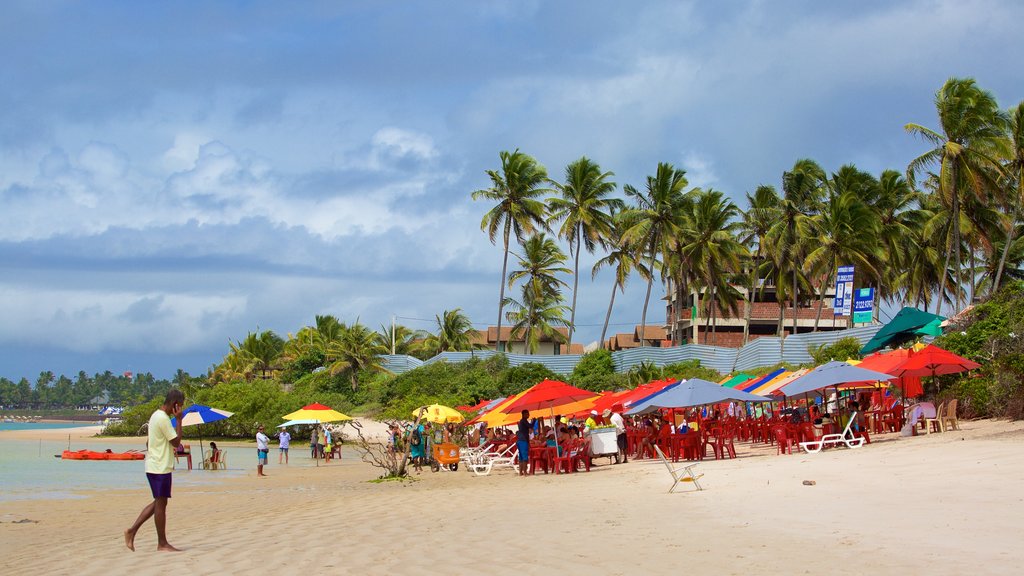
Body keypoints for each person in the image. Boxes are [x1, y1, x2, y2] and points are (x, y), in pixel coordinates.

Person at [124, 388, 184, 552]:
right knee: (160, 504)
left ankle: (132, 531)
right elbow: (176, 442)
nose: (180, 410)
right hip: (159, 467)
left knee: (160, 502)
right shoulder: (163, 418)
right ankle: (161, 543)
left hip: (157, 465)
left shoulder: (156, 416)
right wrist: (179, 421)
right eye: (180, 407)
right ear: (175, 405)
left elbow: (150, 442)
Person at [516, 409, 531, 476]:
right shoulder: (524, 421)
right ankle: (524, 472)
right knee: (524, 457)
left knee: (521, 457)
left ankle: (521, 472)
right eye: (527, 414)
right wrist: (534, 421)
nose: (528, 415)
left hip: (520, 440)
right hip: (523, 441)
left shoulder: (522, 421)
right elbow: (530, 426)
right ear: (523, 414)